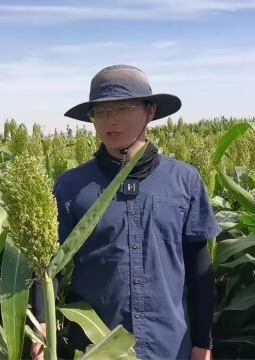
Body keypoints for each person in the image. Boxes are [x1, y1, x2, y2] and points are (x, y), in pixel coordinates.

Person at [30, 65, 221, 360]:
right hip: (95, 346)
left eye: (123, 108)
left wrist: (203, 341)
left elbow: (199, 268)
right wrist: (41, 324)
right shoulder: (72, 187)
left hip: (170, 344)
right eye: (101, 112)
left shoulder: (184, 180)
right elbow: (48, 267)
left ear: (150, 111)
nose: (111, 120)